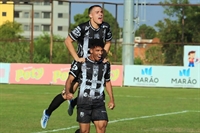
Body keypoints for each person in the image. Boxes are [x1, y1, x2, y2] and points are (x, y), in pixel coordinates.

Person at [40, 4, 112, 129]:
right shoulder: (82, 28)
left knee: (91, 90)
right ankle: (47, 112)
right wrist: (76, 58)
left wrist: (103, 55)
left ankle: (74, 102)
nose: (100, 14)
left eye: (101, 12)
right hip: (82, 64)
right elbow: (68, 40)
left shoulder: (106, 27)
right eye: (97, 12)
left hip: (95, 64)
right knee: (67, 92)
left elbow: (108, 41)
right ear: (90, 15)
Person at [65, 40, 115, 133]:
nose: (100, 53)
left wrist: (111, 99)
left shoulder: (105, 65)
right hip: (83, 102)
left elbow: (107, 81)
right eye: (97, 50)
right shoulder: (81, 63)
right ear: (91, 50)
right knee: (84, 131)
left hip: (99, 102)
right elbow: (69, 80)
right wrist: (68, 92)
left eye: (101, 51)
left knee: (102, 125)